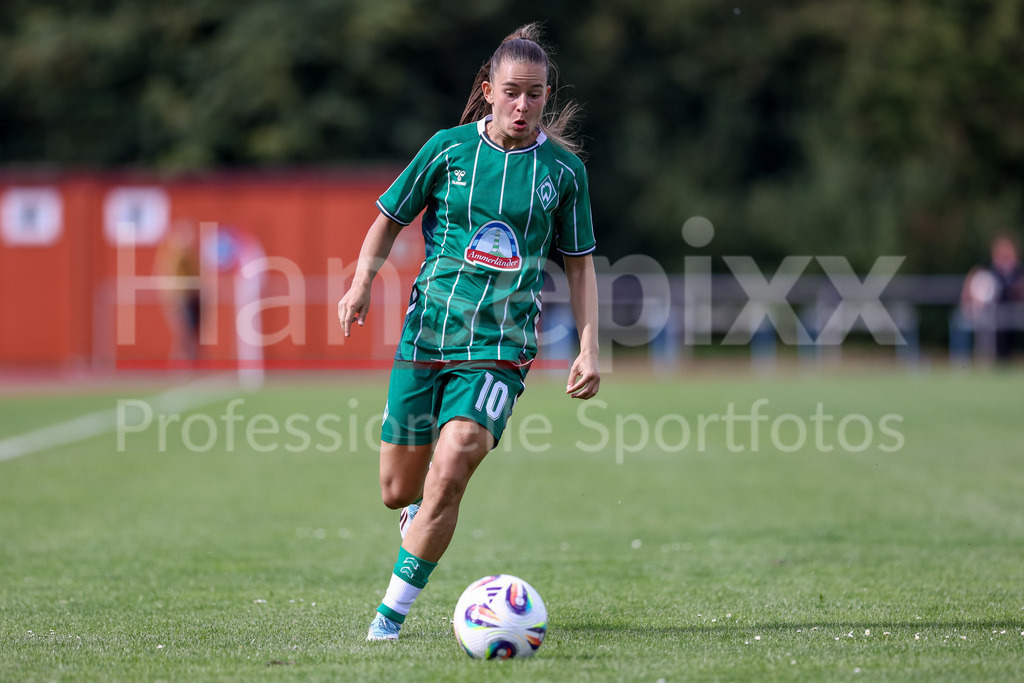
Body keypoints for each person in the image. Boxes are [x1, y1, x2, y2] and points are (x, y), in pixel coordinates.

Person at [337, 23, 601, 642]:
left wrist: (590, 346)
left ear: (546, 95)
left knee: (454, 459)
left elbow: (581, 263)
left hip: (500, 351)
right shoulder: (448, 150)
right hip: (426, 338)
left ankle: (388, 621)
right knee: (397, 489)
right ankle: (422, 520)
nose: (523, 106)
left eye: (536, 94)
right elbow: (387, 219)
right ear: (487, 90)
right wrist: (360, 284)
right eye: (511, 92)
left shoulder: (562, 172)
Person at [958, 232, 1024, 362]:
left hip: (1014, 312)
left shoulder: (1018, 270)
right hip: (991, 313)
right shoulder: (987, 268)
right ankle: (987, 359)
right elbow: (972, 283)